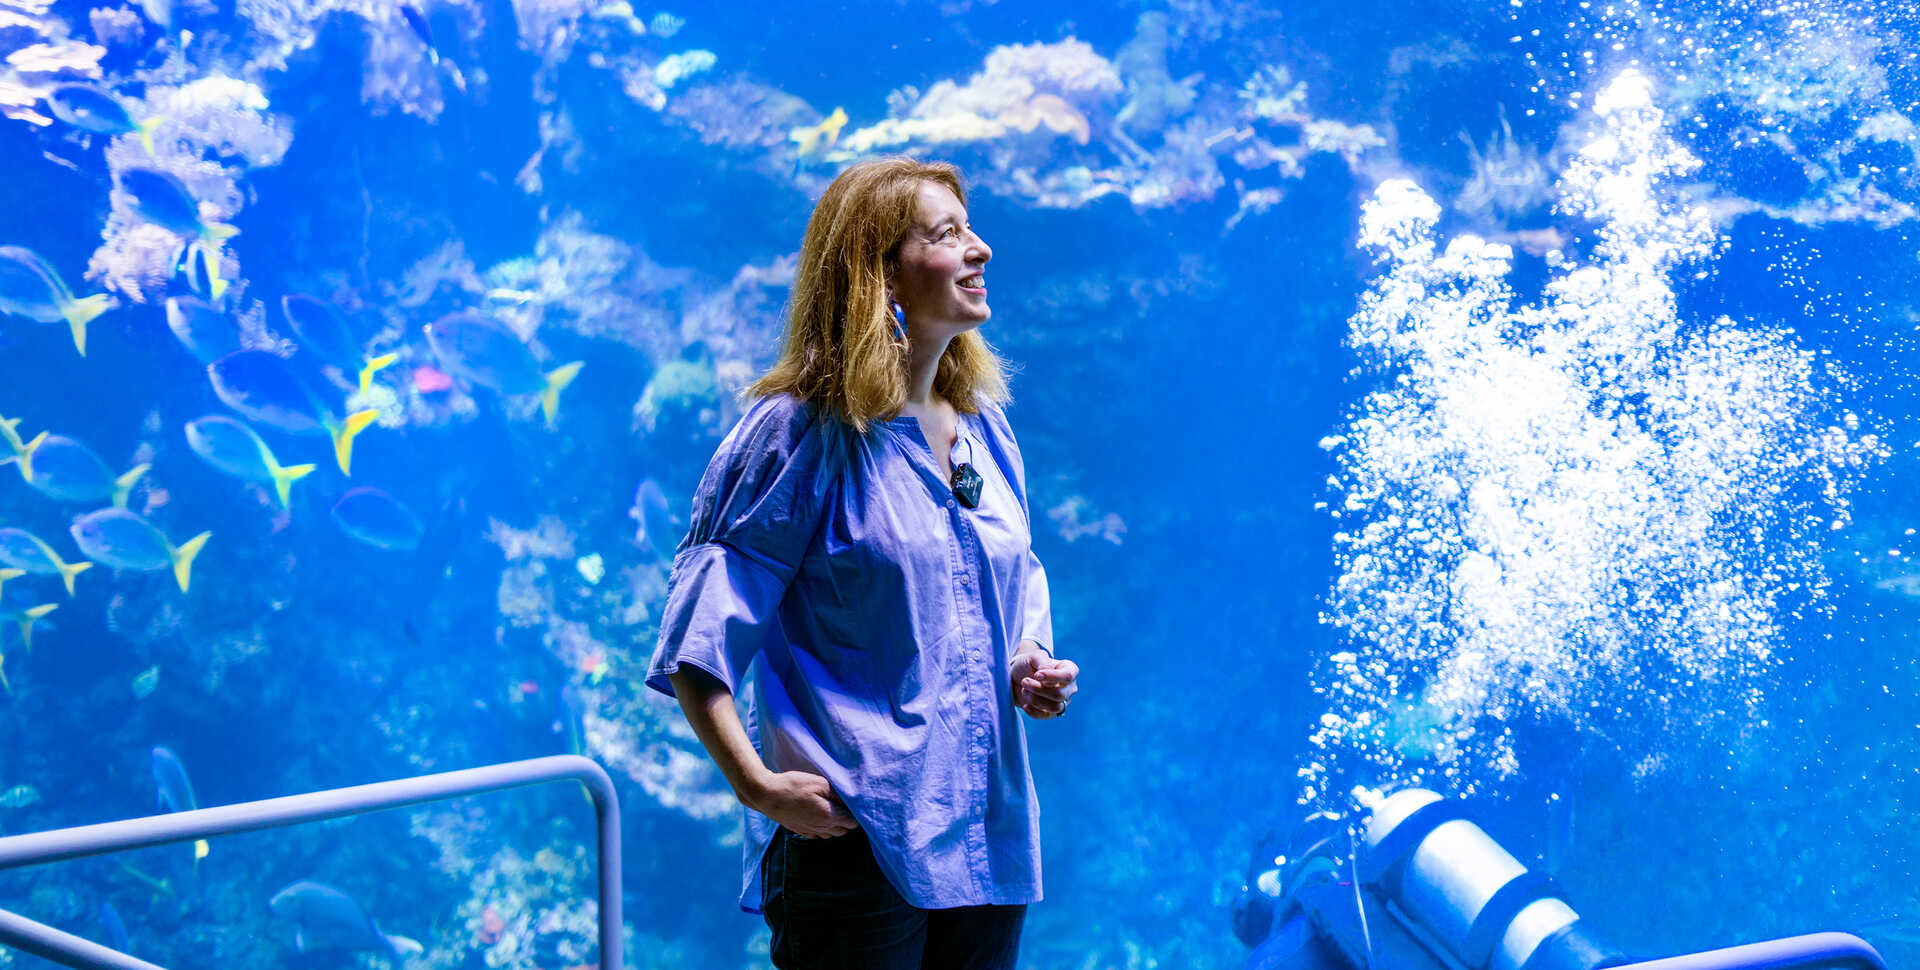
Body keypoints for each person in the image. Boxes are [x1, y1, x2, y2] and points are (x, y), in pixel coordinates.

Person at [645, 156, 1080, 970]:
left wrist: (1029, 663)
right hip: (856, 836)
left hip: (989, 828)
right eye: (948, 233)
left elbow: (1014, 584)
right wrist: (755, 783)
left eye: (970, 226)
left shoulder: (986, 428)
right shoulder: (797, 433)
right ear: (874, 273)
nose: (980, 248)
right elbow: (700, 633)